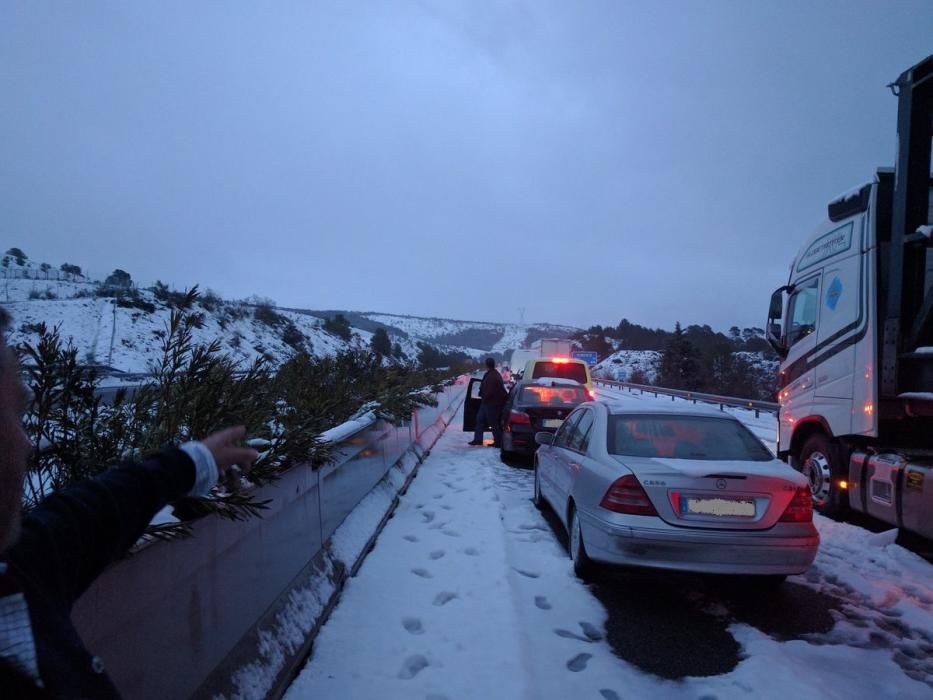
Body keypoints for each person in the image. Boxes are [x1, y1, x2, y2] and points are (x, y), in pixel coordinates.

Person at [0, 307, 258, 698]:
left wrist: (190, 464)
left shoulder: (20, 570)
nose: (27, 443)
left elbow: (86, 517)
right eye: (12, 416)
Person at [469, 357, 508, 448]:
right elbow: (485, 388)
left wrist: (484, 398)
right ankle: (478, 440)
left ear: (486, 365)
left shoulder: (492, 376)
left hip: (492, 403)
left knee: (493, 423)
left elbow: (489, 391)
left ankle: (498, 442)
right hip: (487, 402)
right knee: (480, 419)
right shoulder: (492, 374)